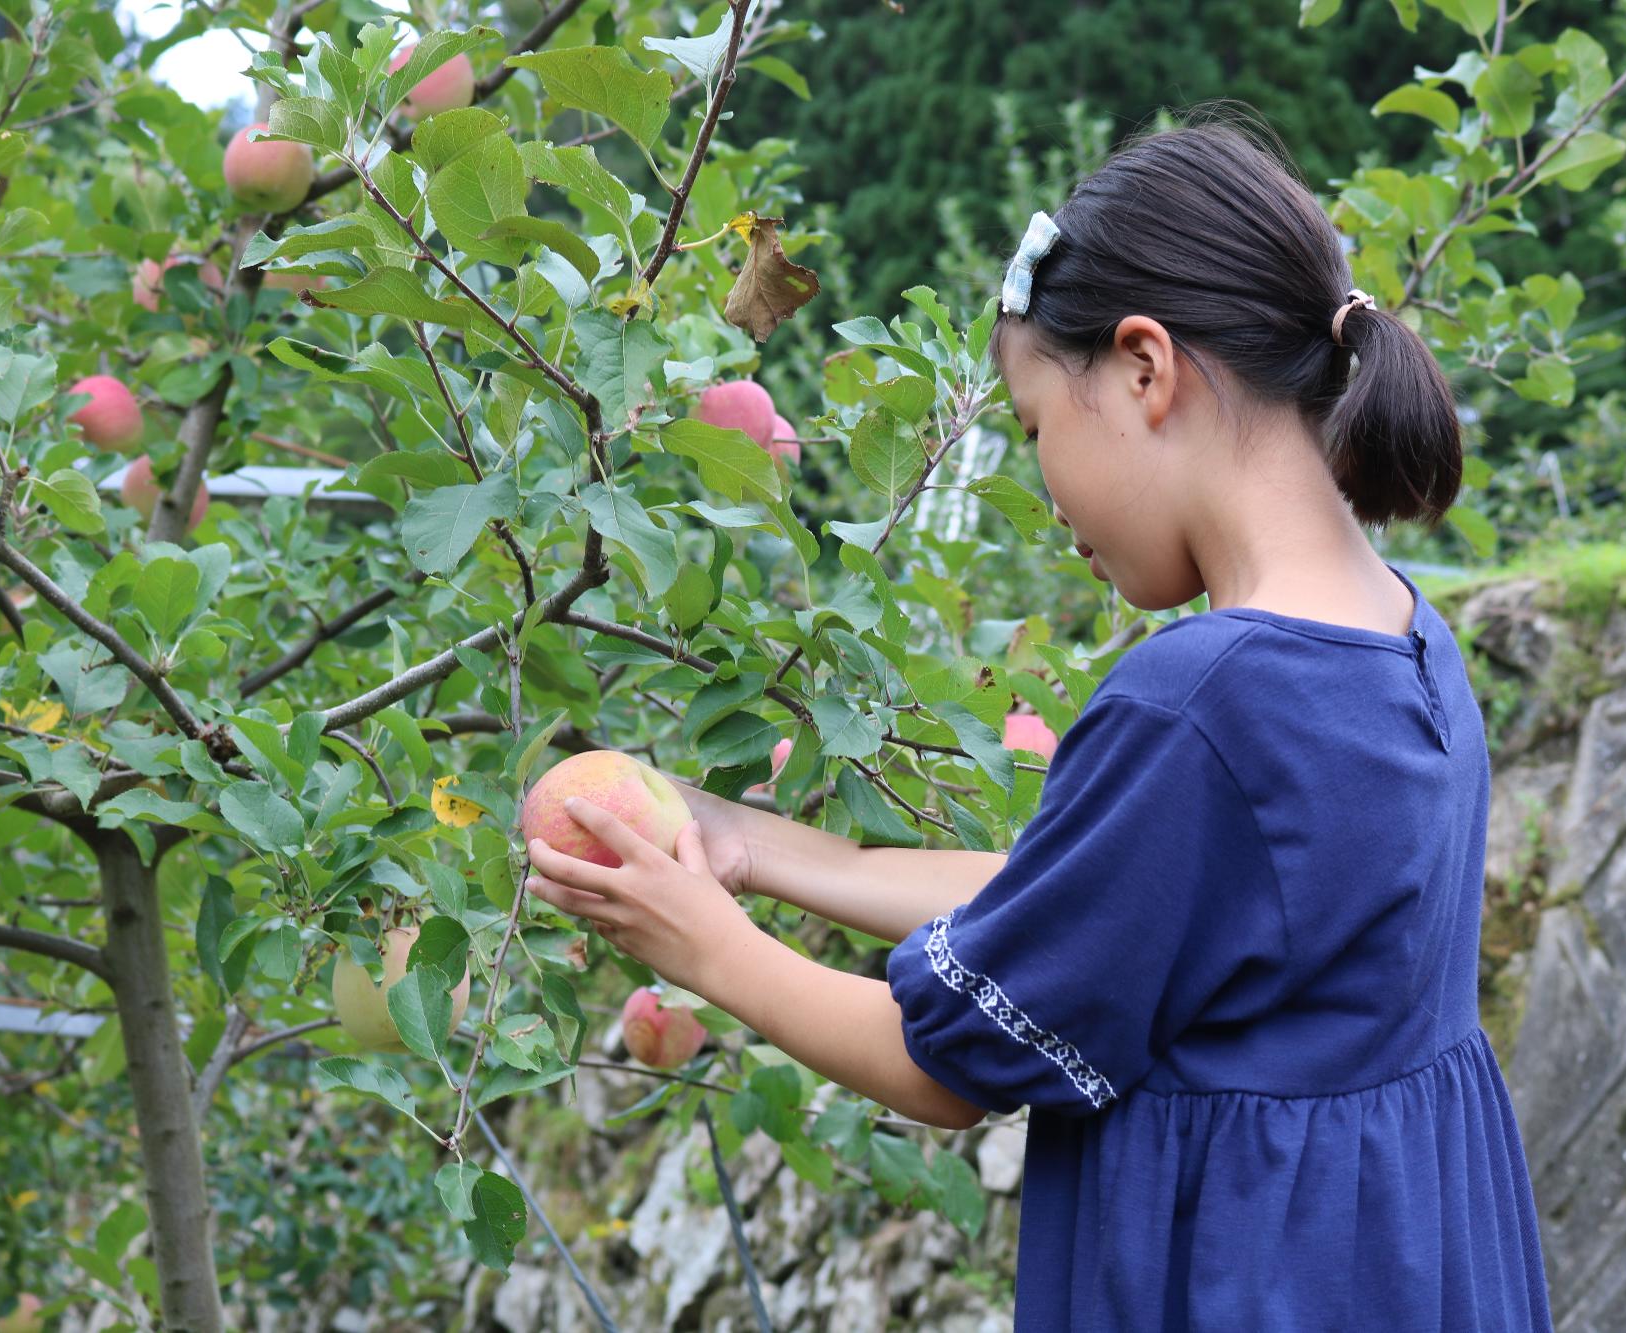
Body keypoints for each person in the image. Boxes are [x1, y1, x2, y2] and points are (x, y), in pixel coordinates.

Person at [523, 104, 1551, 1331]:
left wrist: (705, 944)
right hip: (1395, 1263)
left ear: (1143, 367)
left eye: (1033, 431)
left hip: (1239, 1278)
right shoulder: (1396, 635)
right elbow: (1102, 902)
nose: (1049, 493)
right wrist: (761, 852)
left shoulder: (1200, 701)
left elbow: (941, 1070)